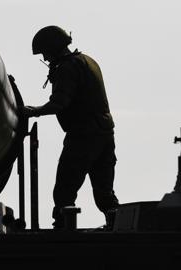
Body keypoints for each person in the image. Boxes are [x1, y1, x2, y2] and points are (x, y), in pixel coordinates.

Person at [24, 25, 119, 228]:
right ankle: (116, 226)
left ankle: (63, 232)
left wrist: (33, 111)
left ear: (53, 49)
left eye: (46, 54)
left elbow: (60, 103)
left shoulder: (67, 68)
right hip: (105, 133)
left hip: (83, 136)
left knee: (65, 190)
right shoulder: (88, 61)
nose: (46, 59)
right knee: (105, 192)